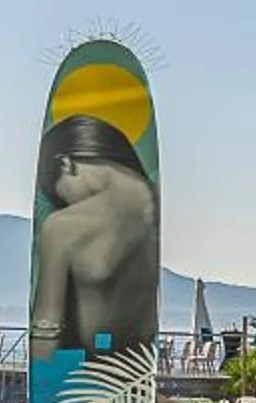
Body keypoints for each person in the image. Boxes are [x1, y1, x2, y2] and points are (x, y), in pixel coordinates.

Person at [30, 115, 159, 359]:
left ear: (66, 164)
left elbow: (45, 332)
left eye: (62, 196)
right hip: (139, 367)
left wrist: (44, 375)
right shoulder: (157, 206)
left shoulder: (62, 227)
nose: (68, 205)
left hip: (92, 372)